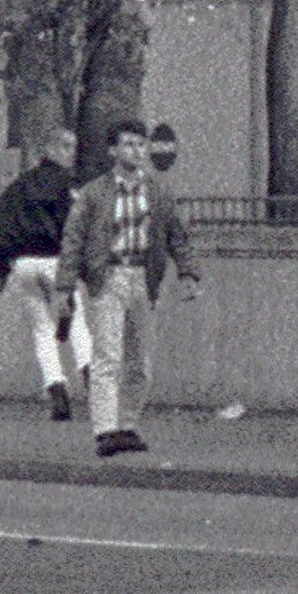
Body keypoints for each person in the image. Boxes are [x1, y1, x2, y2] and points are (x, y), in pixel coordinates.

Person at [54, 119, 202, 458]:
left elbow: (177, 234)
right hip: (109, 276)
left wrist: (188, 273)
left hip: (144, 278)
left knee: (141, 361)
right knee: (108, 355)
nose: (136, 151)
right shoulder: (94, 193)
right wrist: (65, 286)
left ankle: (128, 424)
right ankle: (106, 429)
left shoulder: (159, 191)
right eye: (128, 145)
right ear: (113, 151)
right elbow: (73, 240)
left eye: (140, 144)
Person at [0, 127, 91, 421]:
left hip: (24, 265)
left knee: (42, 330)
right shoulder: (66, 187)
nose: (71, 153)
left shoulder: (18, 187)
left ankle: (57, 391)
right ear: (50, 149)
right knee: (77, 321)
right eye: (66, 147)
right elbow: (77, 227)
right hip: (56, 262)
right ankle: (91, 381)